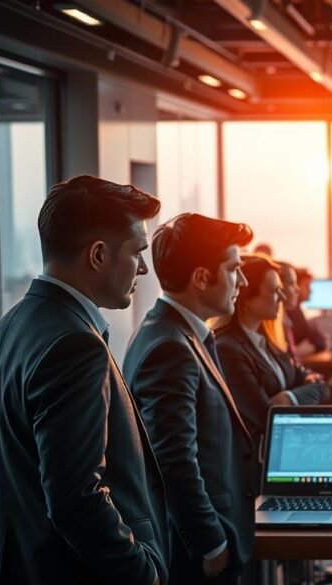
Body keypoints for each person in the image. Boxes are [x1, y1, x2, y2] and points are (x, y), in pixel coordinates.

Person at [0, 176, 167, 584]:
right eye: (137, 252)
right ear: (99, 254)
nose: (143, 267)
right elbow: (76, 498)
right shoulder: (75, 345)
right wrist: (142, 573)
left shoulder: (8, 329)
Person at [123, 213, 256, 584]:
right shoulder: (170, 347)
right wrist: (210, 543)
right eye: (234, 270)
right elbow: (174, 459)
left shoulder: (176, 334)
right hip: (195, 556)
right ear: (201, 278)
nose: (242, 282)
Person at [216, 254, 329, 461]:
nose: (283, 298)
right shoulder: (227, 349)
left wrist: (289, 398)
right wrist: (297, 393)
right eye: (274, 291)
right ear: (247, 298)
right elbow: (266, 417)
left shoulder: (269, 343)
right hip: (256, 465)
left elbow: (321, 384)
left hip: (284, 452)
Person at [286, 267, 328, 354]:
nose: (311, 291)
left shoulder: (297, 310)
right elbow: (317, 342)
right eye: (307, 286)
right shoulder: (292, 312)